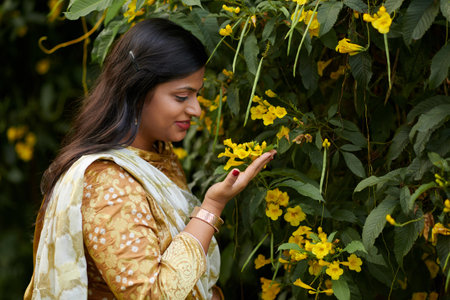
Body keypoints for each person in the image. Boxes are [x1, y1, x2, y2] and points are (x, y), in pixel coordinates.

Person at [24, 18, 276, 300]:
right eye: (182, 96)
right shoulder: (108, 181)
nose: (196, 110)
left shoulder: (158, 155)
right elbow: (152, 295)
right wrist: (212, 207)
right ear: (138, 91)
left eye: (197, 94)